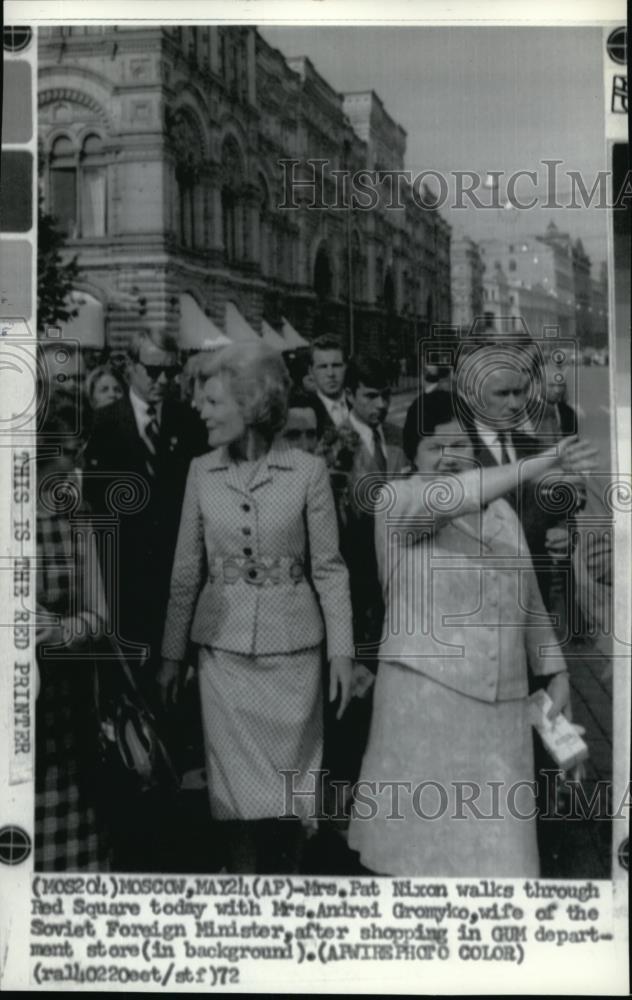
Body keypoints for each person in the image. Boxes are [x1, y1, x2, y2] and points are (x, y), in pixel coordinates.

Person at [347, 390, 598, 877]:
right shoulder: (397, 500)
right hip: (424, 706)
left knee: (500, 863)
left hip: (500, 714)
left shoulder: (500, 512)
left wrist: (555, 671)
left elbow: (528, 599)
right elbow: (454, 494)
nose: (449, 457)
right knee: (422, 862)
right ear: (412, 454)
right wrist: (546, 459)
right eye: (435, 447)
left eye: (459, 445)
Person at [158, 343, 354, 874]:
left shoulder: (308, 471)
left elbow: (331, 569)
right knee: (234, 805)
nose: (200, 410)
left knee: (291, 803)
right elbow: (184, 573)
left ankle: (286, 893)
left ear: (251, 403)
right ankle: (246, 898)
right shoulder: (201, 471)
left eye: (214, 401)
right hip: (223, 659)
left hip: (294, 660)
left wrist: (342, 653)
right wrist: (172, 658)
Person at [83, 327, 207, 677]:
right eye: (153, 371)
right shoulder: (102, 426)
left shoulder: (190, 423)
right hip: (123, 584)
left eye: (171, 371)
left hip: (177, 585)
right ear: (131, 368)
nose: (163, 380)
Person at [35, 412, 110, 870]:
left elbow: (99, 618)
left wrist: (62, 630)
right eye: (66, 452)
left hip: (62, 721)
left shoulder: (72, 513)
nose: (74, 464)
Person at [306, 334, 349, 437]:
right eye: (323, 367)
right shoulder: (305, 412)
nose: (331, 374)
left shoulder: (358, 403)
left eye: (336, 365)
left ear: (346, 367)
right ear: (311, 371)